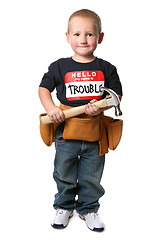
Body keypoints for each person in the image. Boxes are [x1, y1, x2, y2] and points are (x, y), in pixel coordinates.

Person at [39, 9, 122, 232]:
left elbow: (116, 96)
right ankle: (64, 206)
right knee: (63, 172)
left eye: (89, 34)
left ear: (100, 37)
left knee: (92, 175)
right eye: (76, 34)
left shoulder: (106, 68)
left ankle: (89, 208)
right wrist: (52, 108)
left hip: (95, 133)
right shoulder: (59, 66)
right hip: (66, 130)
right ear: (67, 37)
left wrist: (104, 105)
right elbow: (43, 89)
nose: (83, 40)